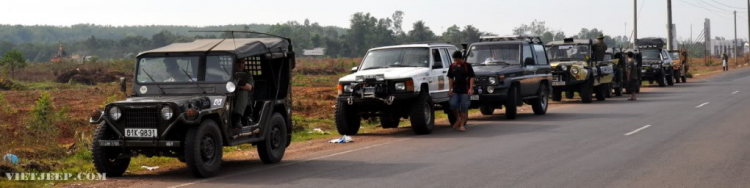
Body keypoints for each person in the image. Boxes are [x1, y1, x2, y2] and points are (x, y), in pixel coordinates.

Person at [447, 51, 475, 132]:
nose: (455, 62)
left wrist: (471, 88)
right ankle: (458, 118)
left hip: (465, 90)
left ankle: (462, 125)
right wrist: (450, 89)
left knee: (464, 107)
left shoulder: (467, 66)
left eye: (457, 60)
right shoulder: (452, 66)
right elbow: (450, 78)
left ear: (461, 59)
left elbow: (472, 77)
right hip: (456, 90)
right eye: (454, 60)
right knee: (453, 104)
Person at [233, 60, 255, 128]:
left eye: (242, 63)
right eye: (238, 62)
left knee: (243, 91)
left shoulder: (247, 75)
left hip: (245, 102)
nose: (240, 65)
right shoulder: (230, 74)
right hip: (230, 97)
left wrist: (235, 85)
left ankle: (237, 118)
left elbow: (249, 87)